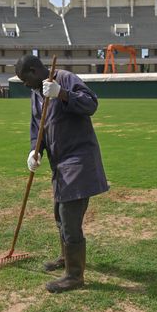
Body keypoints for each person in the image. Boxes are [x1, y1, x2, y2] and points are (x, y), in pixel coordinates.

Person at [14, 54, 109, 293]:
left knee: (69, 218)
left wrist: (62, 94)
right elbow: (38, 127)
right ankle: (67, 257)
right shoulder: (36, 93)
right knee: (59, 213)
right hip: (59, 164)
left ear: (34, 71)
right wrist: (35, 151)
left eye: (25, 79)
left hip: (79, 161)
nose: (25, 85)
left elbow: (91, 104)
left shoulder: (65, 79)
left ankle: (74, 276)